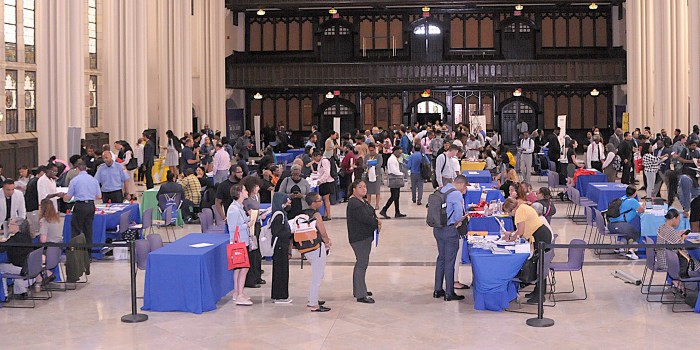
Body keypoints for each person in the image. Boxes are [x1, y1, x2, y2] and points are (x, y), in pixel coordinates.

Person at [502, 198, 553, 303]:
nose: (509, 214)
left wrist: (510, 239)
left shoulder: (519, 212)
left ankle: (539, 295)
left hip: (539, 235)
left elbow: (520, 232)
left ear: (511, 209)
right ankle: (537, 291)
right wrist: (512, 234)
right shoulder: (523, 207)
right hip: (541, 233)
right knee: (540, 264)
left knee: (539, 265)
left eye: (508, 212)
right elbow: (522, 229)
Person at [433, 175, 469, 301]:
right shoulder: (456, 194)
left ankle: (437, 289)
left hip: (437, 229)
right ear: (462, 185)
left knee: (441, 259)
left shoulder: (442, 189)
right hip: (449, 230)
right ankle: (449, 292)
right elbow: (458, 215)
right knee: (450, 261)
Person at [346, 180, 380, 304]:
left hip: (364, 236)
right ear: (354, 189)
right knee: (362, 263)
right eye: (360, 187)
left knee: (360, 263)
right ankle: (361, 294)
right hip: (359, 238)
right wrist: (376, 222)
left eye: (365, 187)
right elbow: (365, 218)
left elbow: (370, 212)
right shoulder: (354, 203)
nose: (364, 189)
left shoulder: (362, 201)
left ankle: (359, 289)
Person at [302, 192, 332, 312]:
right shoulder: (316, 215)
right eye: (319, 200)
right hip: (316, 247)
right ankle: (313, 303)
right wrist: (327, 242)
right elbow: (323, 232)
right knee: (317, 276)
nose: (321, 202)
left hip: (306, 248)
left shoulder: (302, 214)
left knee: (317, 274)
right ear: (313, 203)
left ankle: (313, 298)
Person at [226, 184, 253, 306]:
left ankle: (238, 292)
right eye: (244, 190)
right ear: (239, 193)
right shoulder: (233, 209)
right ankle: (239, 294)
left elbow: (240, 221)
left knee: (239, 269)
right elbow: (233, 227)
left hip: (243, 240)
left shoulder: (240, 207)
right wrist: (247, 225)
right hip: (239, 242)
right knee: (243, 268)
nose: (246, 192)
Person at [655, 208, 700, 275]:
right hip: (668, 262)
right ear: (674, 218)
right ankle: (689, 282)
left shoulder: (662, 227)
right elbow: (680, 247)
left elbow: (671, 241)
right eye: (678, 219)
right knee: (697, 264)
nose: (679, 221)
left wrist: (678, 236)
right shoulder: (670, 231)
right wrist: (682, 238)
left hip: (661, 258)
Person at [607, 186, 646, 260]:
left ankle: (619, 246)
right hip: (620, 225)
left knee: (628, 232)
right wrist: (643, 206)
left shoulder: (622, 198)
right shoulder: (633, 201)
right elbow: (641, 210)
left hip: (610, 225)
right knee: (637, 235)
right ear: (635, 194)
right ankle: (631, 252)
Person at [0, 218, 35, 297]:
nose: (8, 225)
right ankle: (21, 291)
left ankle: (4, 294)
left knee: (1, 267)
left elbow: (2, 249)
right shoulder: (27, 236)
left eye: (11, 224)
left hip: (21, 268)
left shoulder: (15, 238)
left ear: (17, 226)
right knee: (10, 266)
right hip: (28, 266)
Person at [241, 176, 265, 288]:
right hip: (250, 227)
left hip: (257, 224)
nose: (258, 188)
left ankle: (257, 275)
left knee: (257, 252)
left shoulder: (256, 196)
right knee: (252, 251)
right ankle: (251, 279)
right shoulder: (246, 200)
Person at [270, 193, 293, 303]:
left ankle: (281, 295)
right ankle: (280, 296)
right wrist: (290, 232)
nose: (288, 202)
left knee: (282, 271)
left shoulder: (281, 213)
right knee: (280, 272)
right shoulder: (279, 215)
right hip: (279, 246)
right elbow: (276, 232)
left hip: (282, 246)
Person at [379, 147, 406, 220]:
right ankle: (384, 210)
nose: (400, 155)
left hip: (396, 178)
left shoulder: (394, 159)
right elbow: (394, 170)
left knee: (396, 197)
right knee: (394, 196)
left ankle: (397, 212)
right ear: (395, 152)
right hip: (394, 178)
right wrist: (401, 174)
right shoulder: (392, 160)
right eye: (399, 153)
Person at [314, 151, 335, 221]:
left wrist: (321, 180)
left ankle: (328, 215)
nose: (315, 159)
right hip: (324, 182)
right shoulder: (321, 162)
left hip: (327, 182)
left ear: (319, 155)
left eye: (315, 157)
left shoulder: (324, 161)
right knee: (325, 199)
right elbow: (321, 172)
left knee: (326, 199)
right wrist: (317, 178)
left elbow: (327, 172)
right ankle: (325, 214)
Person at [365, 143, 383, 209]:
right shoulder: (367, 156)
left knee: (377, 190)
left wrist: (373, 165)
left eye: (372, 150)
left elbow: (380, 164)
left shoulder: (379, 156)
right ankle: (368, 204)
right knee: (368, 191)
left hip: (376, 175)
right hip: (368, 175)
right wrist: (367, 165)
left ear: (375, 149)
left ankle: (377, 204)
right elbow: (363, 165)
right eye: (370, 150)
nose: (371, 152)